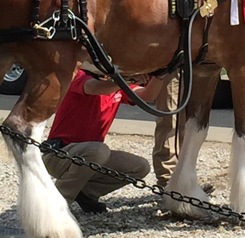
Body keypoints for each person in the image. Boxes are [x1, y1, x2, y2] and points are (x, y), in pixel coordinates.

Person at [43, 63, 169, 214]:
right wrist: (126, 78)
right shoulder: (79, 75)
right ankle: (56, 204)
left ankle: (86, 194)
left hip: (89, 157)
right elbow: (93, 88)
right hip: (58, 155)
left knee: (139, 167)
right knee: (98, 150)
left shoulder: (116, 85)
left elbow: (147, 96)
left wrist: (161, 73)